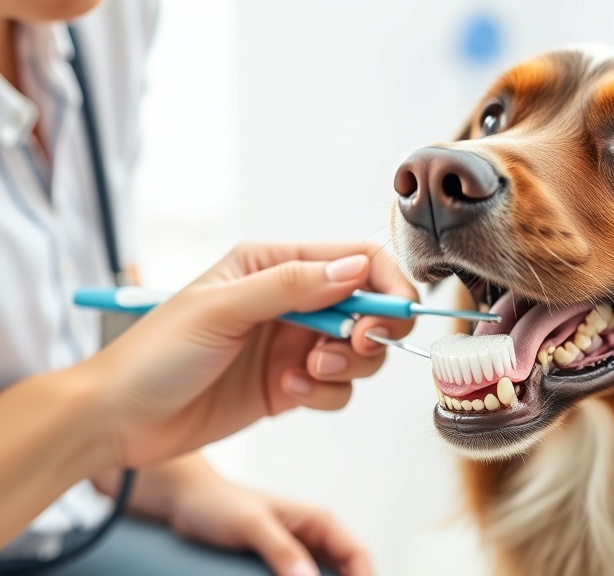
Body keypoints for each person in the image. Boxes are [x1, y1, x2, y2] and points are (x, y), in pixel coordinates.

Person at [0, 1, 415, 575]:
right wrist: (105, 414)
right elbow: (97, 392)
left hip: (73, 514)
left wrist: (180, 479)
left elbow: (78, 315)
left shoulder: (109, 14)